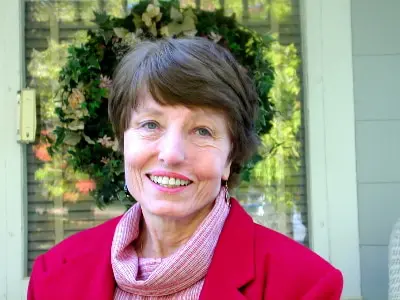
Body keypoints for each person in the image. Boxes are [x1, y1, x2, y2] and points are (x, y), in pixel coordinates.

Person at [28, 37, 343, 300]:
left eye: (202, 131)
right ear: (123, 143)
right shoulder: (54, 275)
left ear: (230, 158)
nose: (172, 153)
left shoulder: (303, 284)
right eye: (150, 124)